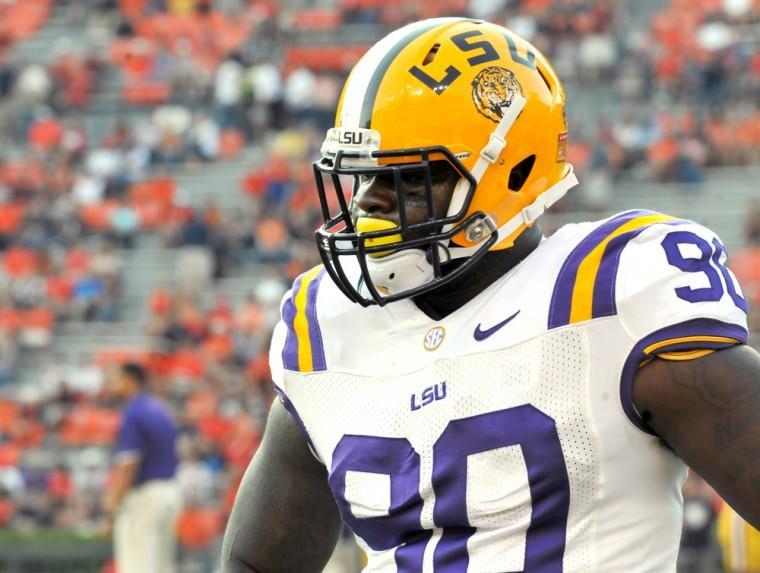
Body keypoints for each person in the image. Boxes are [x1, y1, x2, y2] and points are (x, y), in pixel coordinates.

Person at [222, 18, 760, 572]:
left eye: (407, 180)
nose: (368, 205)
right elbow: (256, 564)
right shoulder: (328, 327)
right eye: (363, 178)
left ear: (512, 171)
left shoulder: (607, 298)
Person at [105, 362, 182, 573]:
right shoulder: (159, 409)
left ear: (130, 381)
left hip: (145, 498)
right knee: (162, 567)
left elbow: (129, 464)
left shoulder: (133, 413)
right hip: (169, 492)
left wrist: (111, 506)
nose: (112, 386)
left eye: (117, 380)